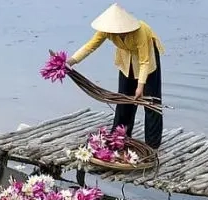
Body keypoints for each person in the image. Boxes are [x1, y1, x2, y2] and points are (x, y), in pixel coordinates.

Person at [66, 3, 166, 149]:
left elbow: (144, 61)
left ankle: (152, 145)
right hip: (126, 63)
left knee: (151, 103)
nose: (116, 33)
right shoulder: (107, 30)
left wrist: (140, 86)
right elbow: (90, 46)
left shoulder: (141, 31)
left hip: (148, 63)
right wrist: (72, 61)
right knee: (124, 99)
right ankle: (120, 138)